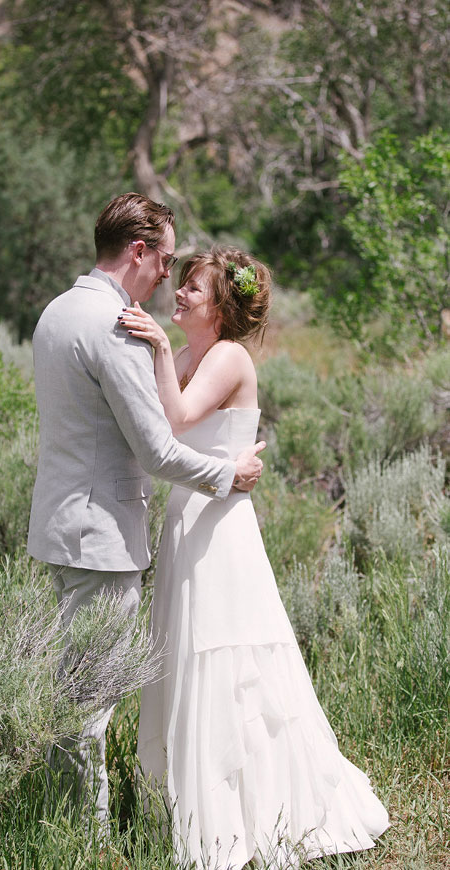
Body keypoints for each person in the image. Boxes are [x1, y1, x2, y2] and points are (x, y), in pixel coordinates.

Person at [120, 245, 389, 869]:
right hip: (188, 521)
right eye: (183, 283)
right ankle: (190, 811)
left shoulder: (228, 357)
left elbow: (178, 417)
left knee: (224, 651)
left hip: (220, 529)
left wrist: (154, 345)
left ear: (219, 308)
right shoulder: (188, 356)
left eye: (194, 287)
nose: (180, 292)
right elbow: (155, 431)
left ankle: (250, 815)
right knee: (186, 650)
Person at [27, 195, 266, 828]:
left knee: (75, 686)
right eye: (165, 259)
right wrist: (229, 475)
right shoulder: (112, 325)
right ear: (138, 251)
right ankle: (83, 834)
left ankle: (68, 820)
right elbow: (157, 450)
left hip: (61, 526)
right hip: (101, 533)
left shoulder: (57, 311)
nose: (167, 275)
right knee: (90, 697)